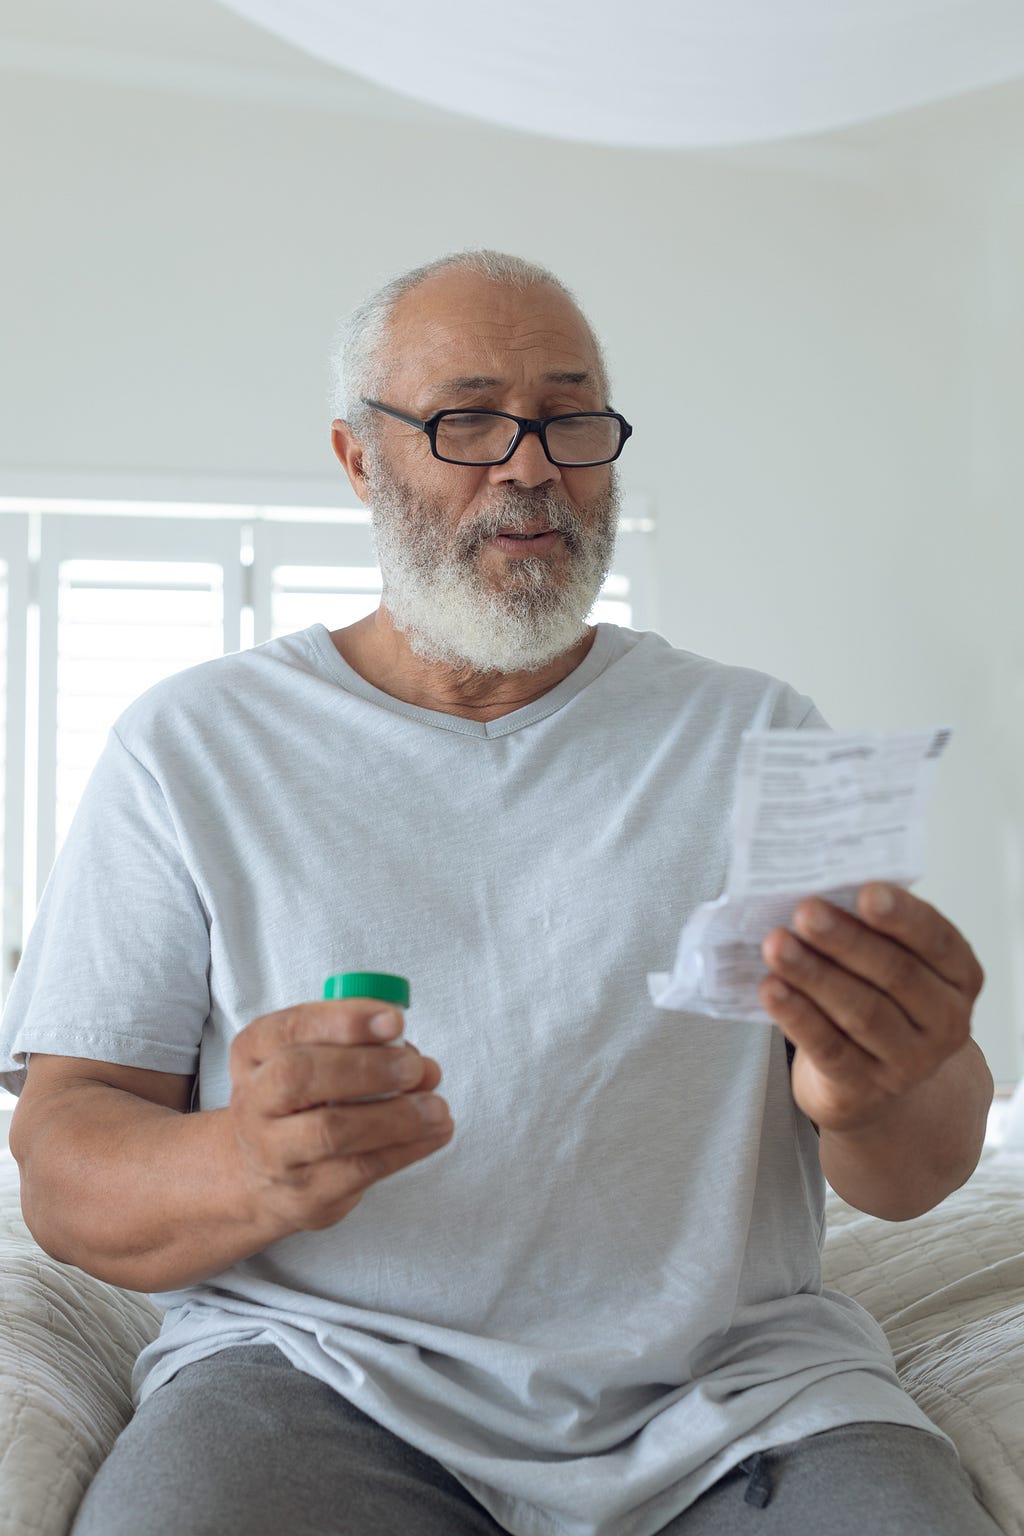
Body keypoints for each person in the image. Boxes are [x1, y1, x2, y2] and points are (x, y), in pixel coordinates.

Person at [1, 250, 999, 1536]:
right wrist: (245, 1161)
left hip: (736, 1400)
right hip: (324, 1378)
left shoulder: (754, 735)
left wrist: (888, 1082)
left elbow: (912, 1173)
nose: (529, 465)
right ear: (361, 461)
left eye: (570, 417)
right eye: (465, 419)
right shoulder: (192, 745)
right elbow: (66, 1157)